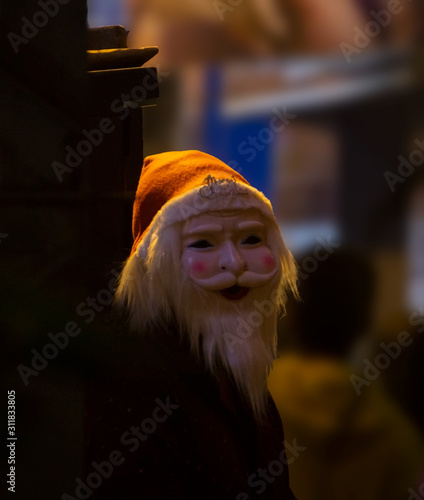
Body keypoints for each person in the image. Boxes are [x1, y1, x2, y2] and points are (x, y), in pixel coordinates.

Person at [84, 150, 299, 499]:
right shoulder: (135, 384)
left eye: (251, 239)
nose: (234, 263)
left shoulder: (238, 378)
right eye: (203, 243)